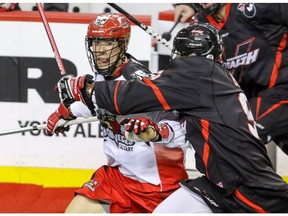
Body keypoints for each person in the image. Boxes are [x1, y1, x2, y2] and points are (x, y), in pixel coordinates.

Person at [52, 22, 288, 212]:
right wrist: (71, 109)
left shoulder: (197, 74)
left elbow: (128, 98)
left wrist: (84, 88)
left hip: (249, 187)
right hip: (216, 185)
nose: (101, 50)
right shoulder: (205, 80)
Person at [46, 12, 188, 213]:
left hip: (158, 189)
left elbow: (176, 130)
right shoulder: (103, 73)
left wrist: (155, 132)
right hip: (118, 178)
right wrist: (68, 111)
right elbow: (99, 102)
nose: (100, 51)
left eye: (107, 43)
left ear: (123, 43)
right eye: (95, 43)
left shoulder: (140, 82)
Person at [174, 3, 288, 155]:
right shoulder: (201, 24)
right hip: (247, 100)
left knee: (237, 140)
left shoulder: (255, 7)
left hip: (280, 92)